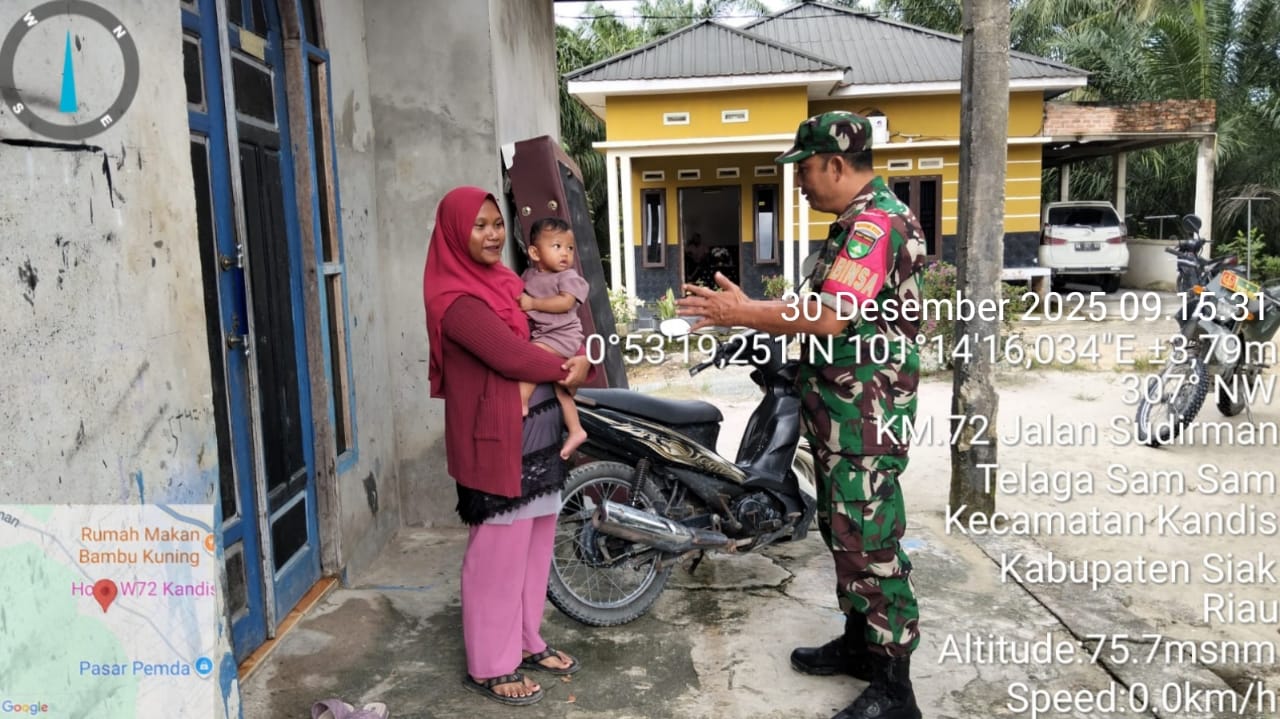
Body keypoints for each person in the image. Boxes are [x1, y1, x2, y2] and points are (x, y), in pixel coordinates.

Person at [676, 111, 926, 719]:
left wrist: (742, 312)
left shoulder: (874, 225)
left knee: (870, 539)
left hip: (864, 414)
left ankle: (895, 688)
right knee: (844, 528)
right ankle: (861, 645)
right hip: (843, 410)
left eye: (805, 168)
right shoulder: (855, 223)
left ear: (837, 164)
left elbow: (831, 315)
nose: (799, 182)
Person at [423, 186, 590, 706]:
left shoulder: (506, 281)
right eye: (479, 226)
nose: (493, 234)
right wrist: (572, 366)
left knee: (534, 548)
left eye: (497, 224)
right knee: (496, 557)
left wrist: (576, 362)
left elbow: (552, 329)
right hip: (494, 440)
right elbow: (509, 356)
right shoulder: (455, 299)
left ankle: (524, 640)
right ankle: (491, 665)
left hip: (537, 432)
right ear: (455, 233)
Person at [517, 217, 589, 460]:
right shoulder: (529, 276)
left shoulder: (567, 277)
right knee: (561, 389)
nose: (565, 253)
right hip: (547, 334)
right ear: (535, 253)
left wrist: (533, 304)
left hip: (562, 335)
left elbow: (566, 302)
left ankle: (521, 402)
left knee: (531, 358)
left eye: (570, 248)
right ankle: (576, 430)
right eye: (557, 246)